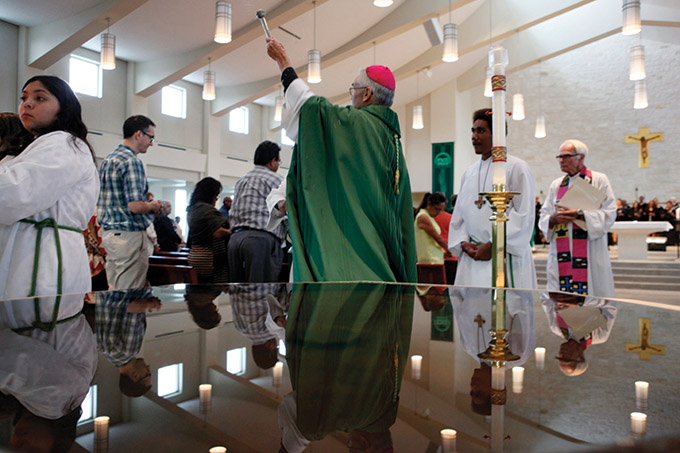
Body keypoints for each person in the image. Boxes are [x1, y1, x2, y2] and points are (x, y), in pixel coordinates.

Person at [265, 37, 416, 283]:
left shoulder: (359, 124)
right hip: (383, 258)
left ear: (367, 94)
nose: (351, 96)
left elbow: (311, 107)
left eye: (354, 89)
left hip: (352, 258)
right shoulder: (391, 138)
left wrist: (284, 63)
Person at [0, 75, 99, 300]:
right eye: (24, 98)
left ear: (63, 107)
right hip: (34, 250)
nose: (28, 103)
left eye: (40, 98)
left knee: (38, 330)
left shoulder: (63, 143)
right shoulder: (37, 146)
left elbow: (12, 192)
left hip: (44, 259)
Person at [448, 109, 536, 289]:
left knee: (506, 311)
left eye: (481, 131)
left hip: (505, 256)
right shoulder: (469, 173)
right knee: (472, 311)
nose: (474, 136)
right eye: (473, 131)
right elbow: (459, 217)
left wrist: (494, 245)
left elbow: (523, 215)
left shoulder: (517, 168)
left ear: (497, 134)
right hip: (473, 258)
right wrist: (464, 244)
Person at [539, 139, 616, 297]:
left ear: (581, 157)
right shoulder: (556, 184)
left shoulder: (598, 180)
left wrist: (579, 215)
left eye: (566, 156)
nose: (561, 160)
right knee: (560, 297)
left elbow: (610, 212)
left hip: (589, 249)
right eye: (559, 157)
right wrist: (552, 219)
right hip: (561, 252)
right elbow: (544, 215)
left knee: (592, 295)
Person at [98, 115, 164, 290]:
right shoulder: (132, 161)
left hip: (111, 235)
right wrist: (154, 205)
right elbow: (135, 206)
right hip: (129, 236)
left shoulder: (108, 160)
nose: (151, 143)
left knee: (115, 290)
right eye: (151, 137)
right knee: (130, 295)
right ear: (138, 134)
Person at [228, 140, 285, 282]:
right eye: (279, 161)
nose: (278, 165)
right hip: (259, 241)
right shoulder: (276, 179)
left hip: (234, 241)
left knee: (238, 292)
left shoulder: (242, 180)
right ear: (273, 161)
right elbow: (285, 208)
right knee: (261, 293)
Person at [187, 177, 231, 283]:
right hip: (208, 259)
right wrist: (234, 231)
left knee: (199, 292)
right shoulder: (207, 210)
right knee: (208, 291)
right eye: (216, 195)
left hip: (195, 254)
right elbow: (218, 232)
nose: (216, 198)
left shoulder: (193, 209)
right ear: (208, 194)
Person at [414, 192, 452, 265]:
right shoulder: (423, 217)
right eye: (437, 209)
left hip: (434, 257)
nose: (439, 212)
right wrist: (449, 249)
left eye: (441, 210)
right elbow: (437, 238)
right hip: (430, 259)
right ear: (429, 204)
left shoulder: (428, 217)